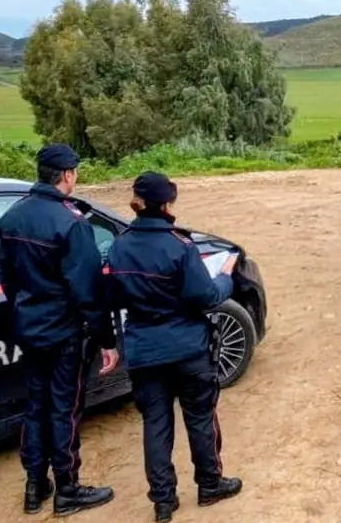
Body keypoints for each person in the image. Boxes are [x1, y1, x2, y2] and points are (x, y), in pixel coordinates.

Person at [106, 171, 242, 522]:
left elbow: (112, 296)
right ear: (167, 203)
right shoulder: (180, 246)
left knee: (155, 424)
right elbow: (207, 296)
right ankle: (210, 484)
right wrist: (226, 274)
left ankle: (163, 501)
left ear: (137, 201)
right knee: (200, 417)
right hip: (188, 349)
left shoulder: (119, 246)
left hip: (144, 352)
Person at [0, 143, 120, 517]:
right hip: (64, 332)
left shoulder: (11, 218)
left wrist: (26, 311)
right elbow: (88, 291)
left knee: (36, 404)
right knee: (64, 407)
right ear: (67, 175)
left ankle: (35, 486)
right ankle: (67, 487)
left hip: (30, 329)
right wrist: (107, 340)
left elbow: (8, 281)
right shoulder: (72, 223)